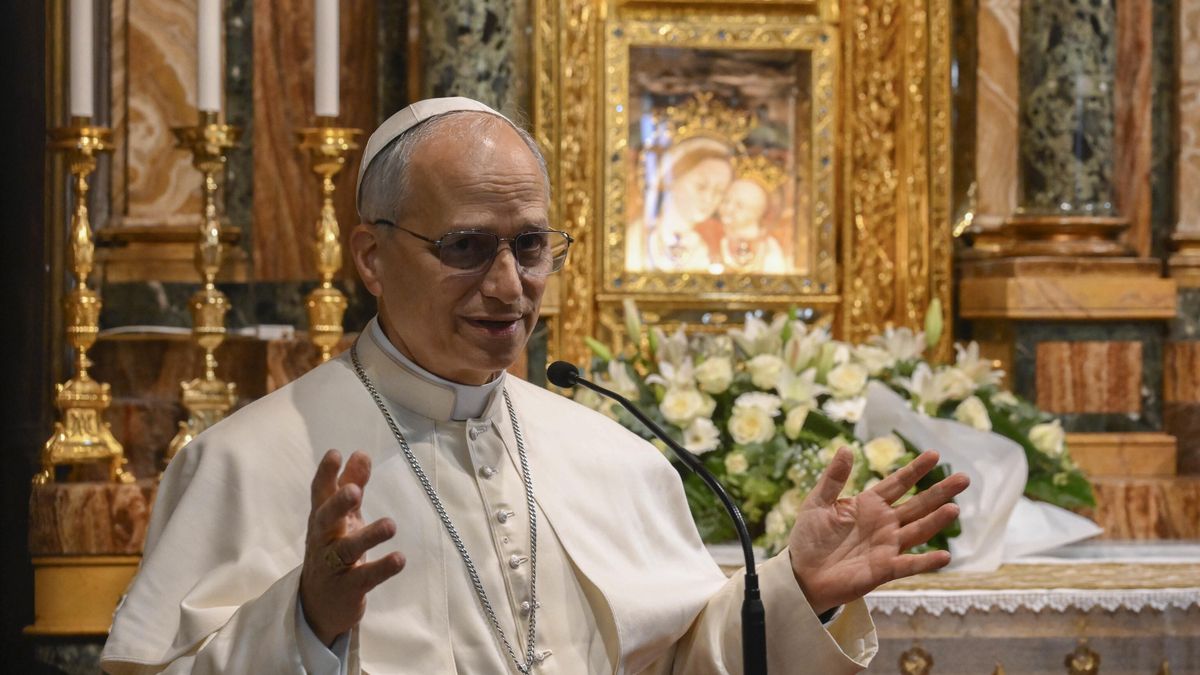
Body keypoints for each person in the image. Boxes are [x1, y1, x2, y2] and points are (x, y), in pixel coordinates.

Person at [101, 97, 968, 674]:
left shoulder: (612, 457)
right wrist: (304, 621)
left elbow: (678, 662)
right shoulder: (246, 462)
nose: (512, 286)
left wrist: (792, 590)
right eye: (468, 247)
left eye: (532, 245)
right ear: (370, 256)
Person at [627, 137, 734, 273]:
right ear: (673, 179)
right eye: (701, 186)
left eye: (720, 191)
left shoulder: (715, 245)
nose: (709, 199)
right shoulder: (638, 236)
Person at [716, 177, 788, 274]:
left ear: (756, 213)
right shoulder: (712, 237)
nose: (728, 208)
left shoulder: (769, 249)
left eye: (739, 206)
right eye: (726, 201)